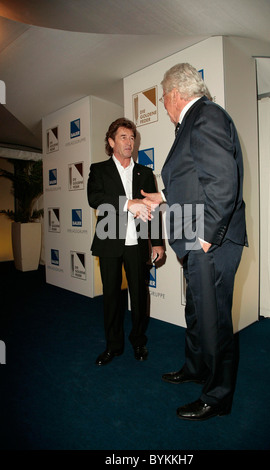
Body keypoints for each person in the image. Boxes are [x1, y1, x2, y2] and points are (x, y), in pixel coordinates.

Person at [141, 63, 248, 421]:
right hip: (195, 239)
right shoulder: (192, 122)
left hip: (209, 243)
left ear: (174, 94)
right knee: (197, 314)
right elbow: (197, 185)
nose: (165, 108)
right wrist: (164, 201)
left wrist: (205, 238)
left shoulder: (207, 116)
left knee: (214, 320)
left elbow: (223, 183)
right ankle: (196, 368)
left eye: (163, 100)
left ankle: (217, 397)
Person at [87, 117, 164, 366]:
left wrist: (158, 242)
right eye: (123, 137)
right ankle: (113, 345)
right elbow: (94, 197)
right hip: (110, 240)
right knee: (111, 296)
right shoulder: (99, 170)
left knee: (140, 296)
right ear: (111, 142)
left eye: (132, 138)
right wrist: (128, 203)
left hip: (139, 243)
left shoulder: (144, 172)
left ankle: (138, 340)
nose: (129, 142)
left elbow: (152, 209)